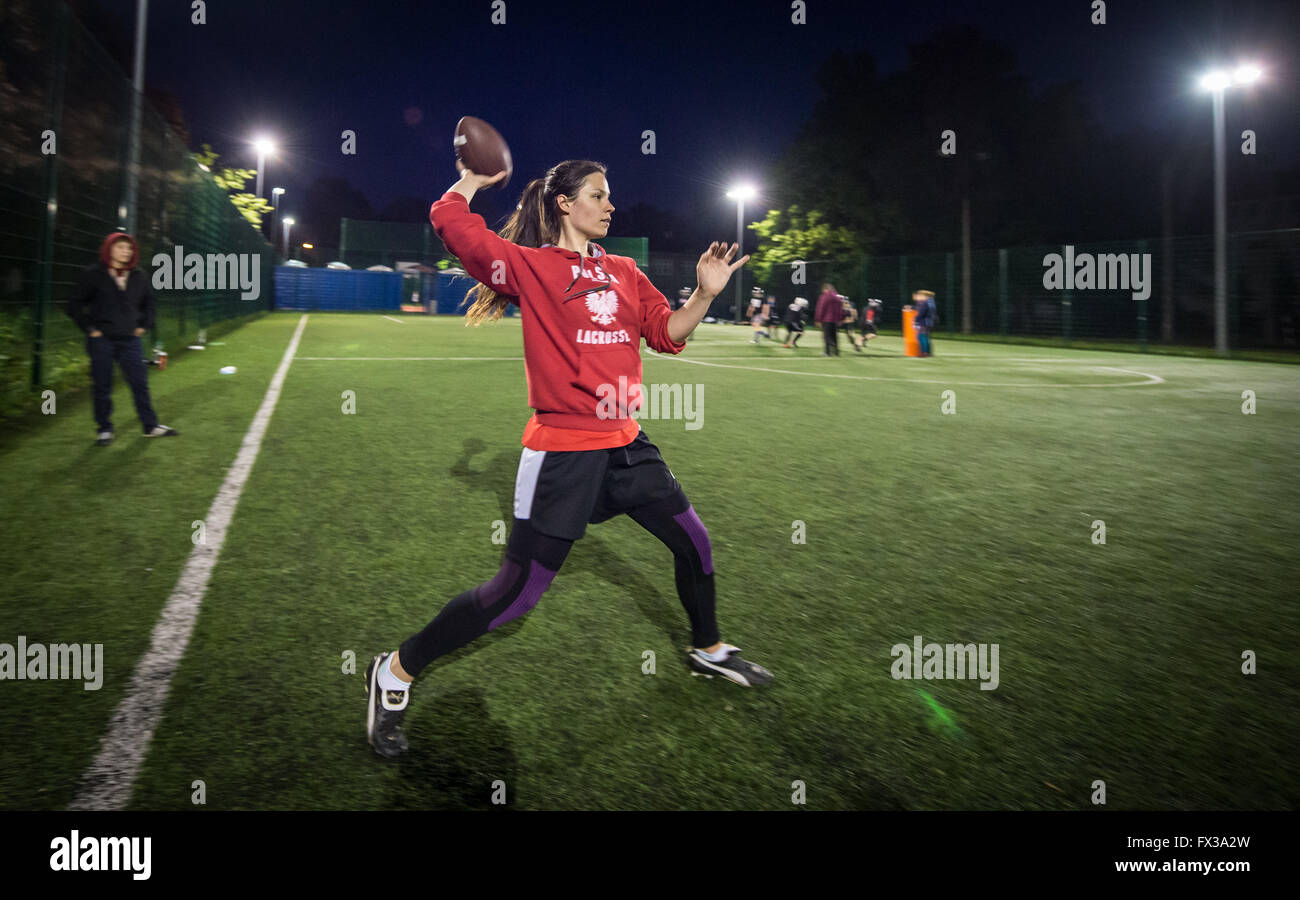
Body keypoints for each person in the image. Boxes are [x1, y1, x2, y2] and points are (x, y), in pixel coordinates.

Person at [365, 159, 774, 758]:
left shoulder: (625, 271)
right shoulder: (530, 267)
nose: (611, 206)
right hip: (563, 452)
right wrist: (473, 181)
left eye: (610, 196)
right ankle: (394, 672)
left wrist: (705, 294)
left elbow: (667, 332)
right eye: (598, 195)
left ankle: (708, 649)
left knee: (695, 541)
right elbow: (452, 223)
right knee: (514, 596)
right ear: (563, 203)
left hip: (626, 445)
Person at [65, 232, 179, 445]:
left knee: (140, 383)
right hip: (102, 340)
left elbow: (149, 304)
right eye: (120, 247)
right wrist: (90, 329)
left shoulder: (139, 275)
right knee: (102, 385)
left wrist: (144, 326)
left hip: (130, 341)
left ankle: (150, 425)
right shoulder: (93, 274)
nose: (126, 252)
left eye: (129, 248)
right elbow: (73, 304)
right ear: (109, 248)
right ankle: (105, 429)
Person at [815, 282, 842, 356]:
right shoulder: (838, 297)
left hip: (826, 319)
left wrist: (818, 319)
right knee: (834, 336)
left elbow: (821, 308)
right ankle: (836, 352)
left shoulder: (824, 296)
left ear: (825, 289)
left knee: (827, 336)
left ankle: (827, 352)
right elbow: (840, 309)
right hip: (835, 320)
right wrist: (840, 319)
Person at [913, 289, 937, 356]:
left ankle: (924, 352)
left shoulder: (926, 303)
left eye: (920, 295)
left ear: (925, 296)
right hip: (929, 322)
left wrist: (916, 319)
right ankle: (928, 352)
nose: (918, 297)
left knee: (921, 337)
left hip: (924, 322)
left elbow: (922, 313)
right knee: (926, 337)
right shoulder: (931, 302)